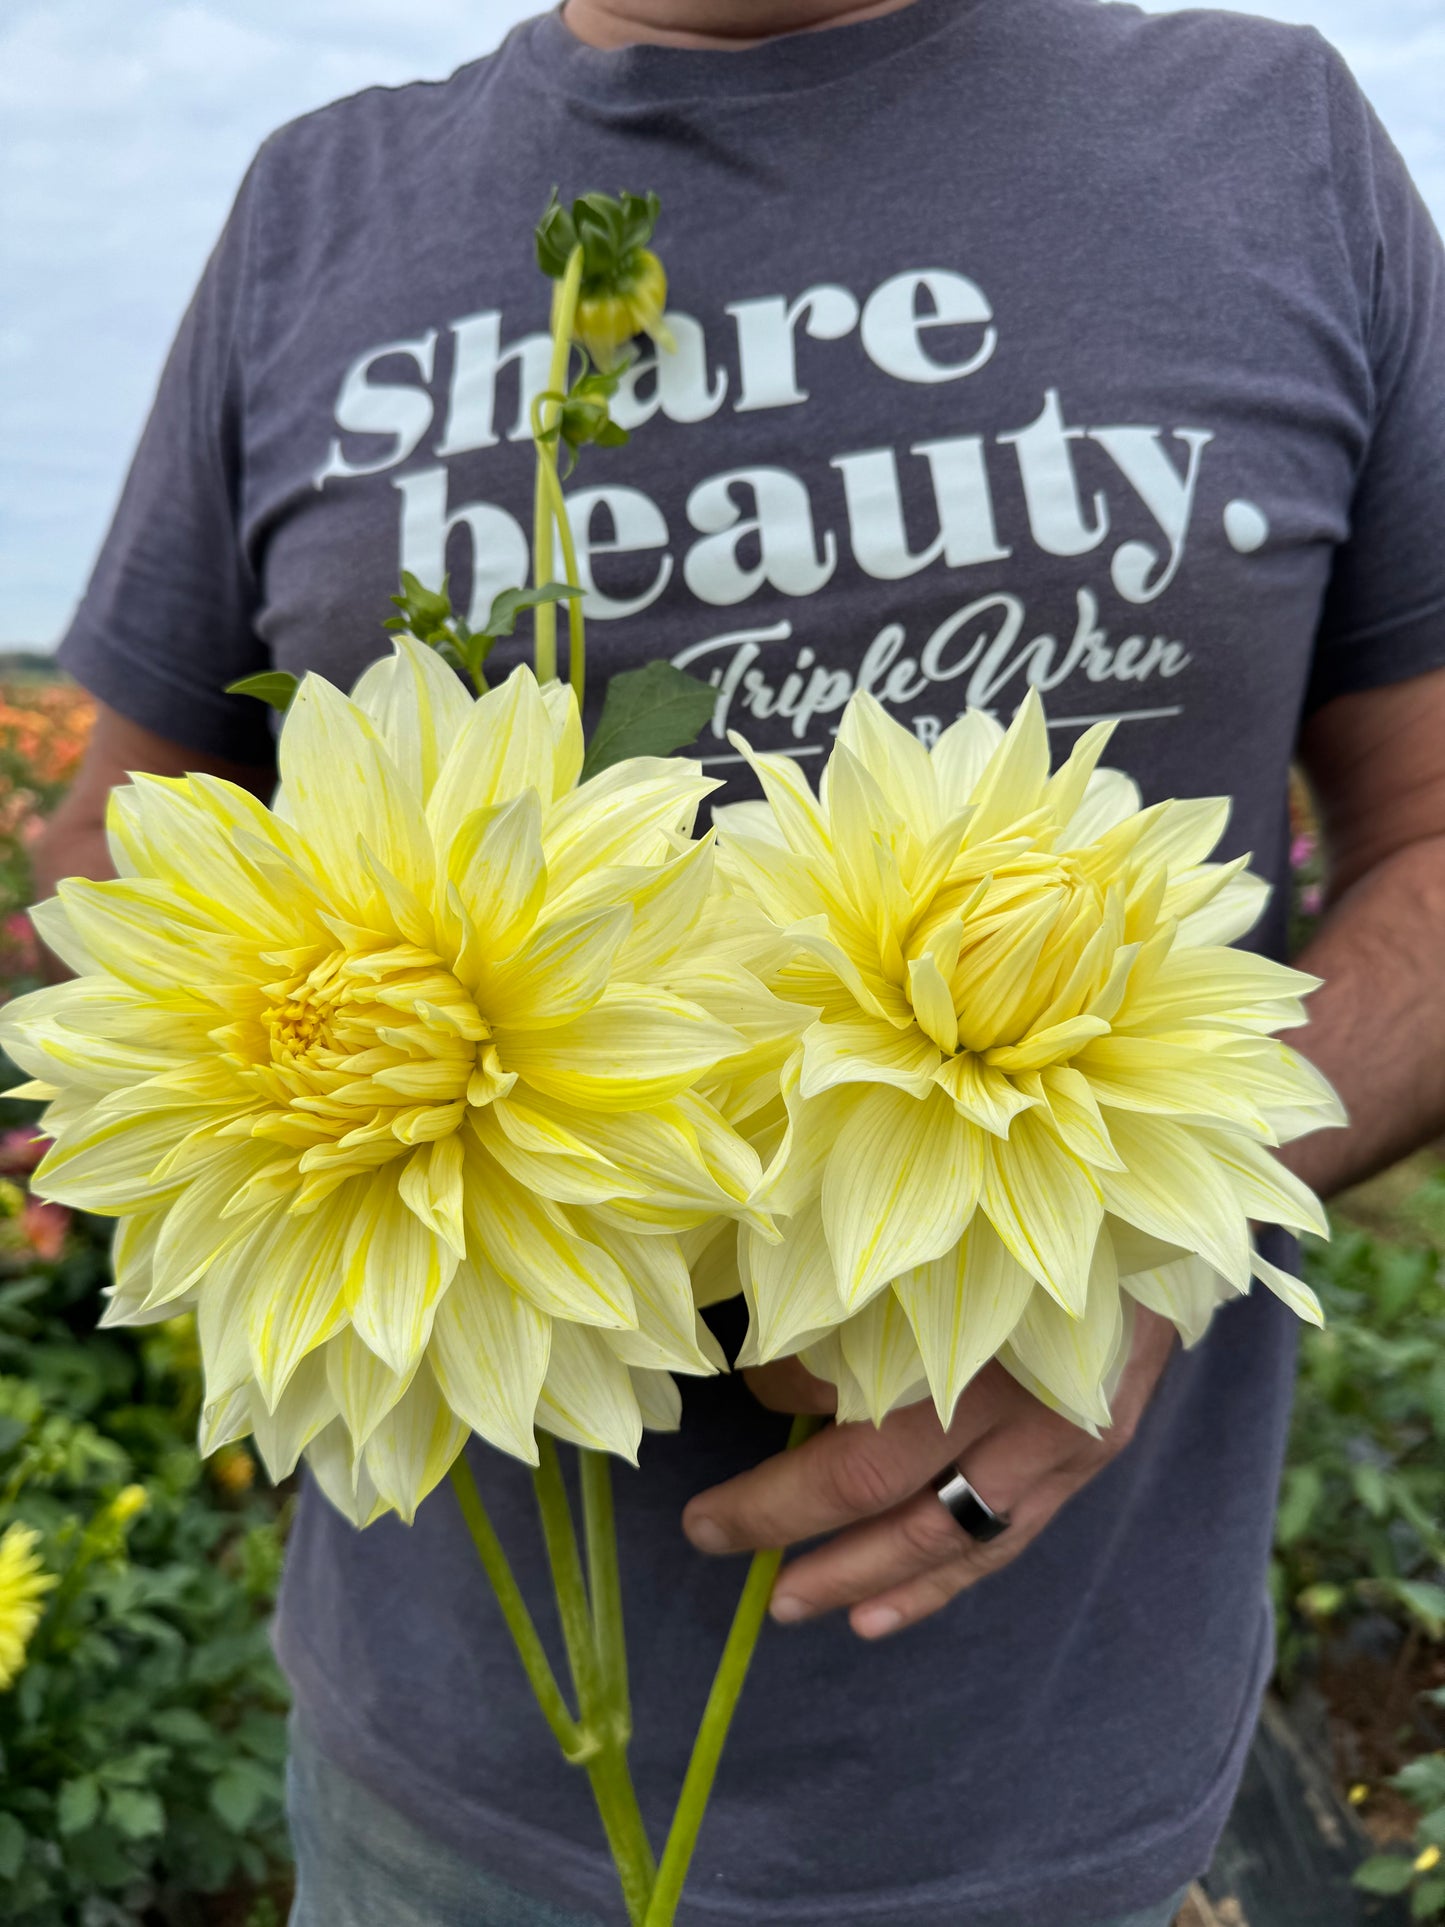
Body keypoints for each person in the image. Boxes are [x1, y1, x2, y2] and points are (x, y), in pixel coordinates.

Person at [33, 0, 1445, 1921]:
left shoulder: (1264, 136)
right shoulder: (318, 205)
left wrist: (1128, 1240)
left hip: (1037, 1804)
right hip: (431, 1782)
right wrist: (139, 1101)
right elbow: (121, 843)